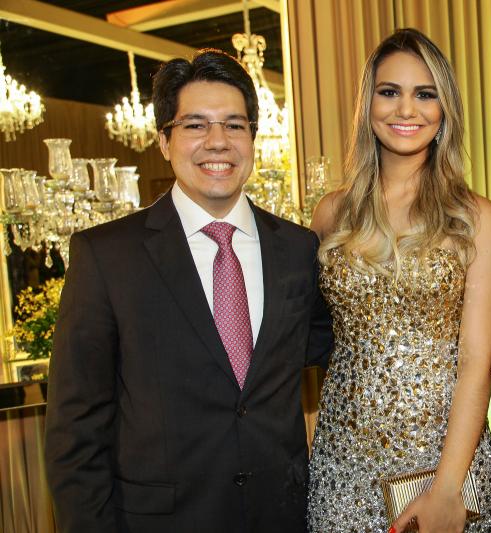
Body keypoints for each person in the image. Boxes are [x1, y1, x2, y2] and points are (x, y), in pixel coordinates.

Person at [44, 49, 333, 533]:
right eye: (195, 125)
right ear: (164, 140)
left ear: (253, 138)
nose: (217, 142)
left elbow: (339, 353)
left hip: (282, 516)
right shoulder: (107, 257)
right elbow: (75, 431)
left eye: (234, 125)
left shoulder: (298, 250)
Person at [306, 28, 491, 533]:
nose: (406, 109)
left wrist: (447, 488)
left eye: (425, 94)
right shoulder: (331, 213)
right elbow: (315, 338)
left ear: (444, 110)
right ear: (368, 104)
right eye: (389, 91)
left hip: (444, 460)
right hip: (342, 462)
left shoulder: (476, 218)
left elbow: (476, 361)